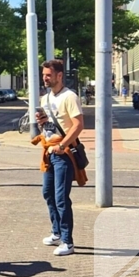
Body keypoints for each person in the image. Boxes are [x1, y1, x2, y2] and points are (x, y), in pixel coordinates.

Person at [34, 59, 85, 257]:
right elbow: (48, 125)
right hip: (49, 152)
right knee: (48, 193)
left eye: (48, 75)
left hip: (63, 154)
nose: (45, 78)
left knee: (61, 198)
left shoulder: (69, 97)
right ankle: (56, 232)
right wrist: (43, 123)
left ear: (59, 75)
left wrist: (62, 146)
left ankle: (67, 241)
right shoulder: (45, 98)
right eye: (44, 75)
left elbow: (78, 125)